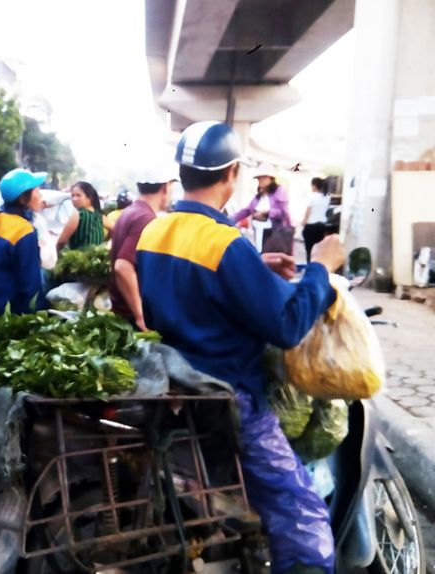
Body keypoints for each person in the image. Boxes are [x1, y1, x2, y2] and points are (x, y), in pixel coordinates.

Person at [136, 121, 345, 574]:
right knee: (302, 513)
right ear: (231, 174)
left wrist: (256, 263)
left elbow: (188, 287)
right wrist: (321, 271)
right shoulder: (226, 244)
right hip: (230, 399)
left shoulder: (156, 231)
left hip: (178, 389)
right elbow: (287, 327)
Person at [0, 168, 47, 318]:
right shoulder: (23, 230)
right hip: (7, 313)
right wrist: (39, 314)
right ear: (23, 198)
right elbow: (30, 284)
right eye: (37, 190)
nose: (41, 194)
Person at [109, 171, 170, 331]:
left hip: (121, 315)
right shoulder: (144, 218)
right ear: (165, 188)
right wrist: (141, 316)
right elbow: (122, 266)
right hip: (130, 319)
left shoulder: (130, 211)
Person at [231, 163, 293, 253]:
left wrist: (267, 213)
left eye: (261, 178)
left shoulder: (280, 191)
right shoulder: (259, 195)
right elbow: (247, 210)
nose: (259, 181)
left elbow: (283, 213)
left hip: (274, 234)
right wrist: (229, 219)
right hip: (258, 233)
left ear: (269, 178)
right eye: (258, 178)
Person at [57, 181, 108, 250]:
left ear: (89, 197)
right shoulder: (100, 216)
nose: (74, 199)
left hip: (78, 259)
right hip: (96, 258)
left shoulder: (78, 214)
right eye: (72, 195)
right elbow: (116, 229)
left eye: (78, 195)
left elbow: (62, 241)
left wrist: (55, 254)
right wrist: (104, 242)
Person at [301, 177, 331, 263]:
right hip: (322, 226)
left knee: (309, 250)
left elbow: (308, 212)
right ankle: (318, 267)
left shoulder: (311, 196)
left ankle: (310, 267)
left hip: (311, 226)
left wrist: (303, 223)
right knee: (319, 250)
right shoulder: (327, 196)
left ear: (314, 186)